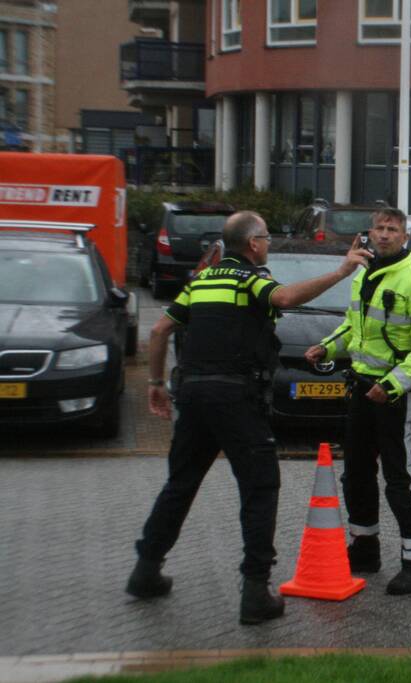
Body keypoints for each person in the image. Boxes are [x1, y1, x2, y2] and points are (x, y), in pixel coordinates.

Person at [127, 210, 374, 625]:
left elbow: (158, 332)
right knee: (260, 488)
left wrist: (154, 382)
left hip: (194, 396)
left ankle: (146, 570)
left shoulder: (201, 282)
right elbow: (283, 299)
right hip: (236, 397)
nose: (269, 246)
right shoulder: (249, 279)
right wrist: (342, 271)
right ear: (254, 243)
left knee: (180, 483)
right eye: (266, 239)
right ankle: (255, 592)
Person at [304, 207, 411, 596]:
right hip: (361, 390)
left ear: (405, 237)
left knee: (400, 479)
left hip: (394, 396)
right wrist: (328, 346)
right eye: (379, 229)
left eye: (392, 229)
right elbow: (355, 328)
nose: (384, 235)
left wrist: (393, 384)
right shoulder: (365, 274)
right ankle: (365, 548)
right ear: (370, 233)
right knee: (357, 474)